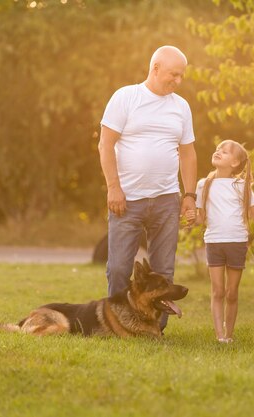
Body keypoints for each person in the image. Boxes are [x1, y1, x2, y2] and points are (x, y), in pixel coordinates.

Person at [98, 45, 197, 331]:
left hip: (167, 200)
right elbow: (105, 144)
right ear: (155, 68)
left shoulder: (181, 107)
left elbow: (188, 153)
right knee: (118, 268)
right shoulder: (126, 97)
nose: (178, 81)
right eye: (173, 74)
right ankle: (117, 325)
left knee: (164, 270)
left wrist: (189, 196)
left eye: (181, 76)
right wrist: (113, 187)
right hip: (127, 200)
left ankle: (155, 328)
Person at [186, 140, 254, 343]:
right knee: (217, 290)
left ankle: (229, 334)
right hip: (214, 242)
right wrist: (192, 218)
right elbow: (201, 219)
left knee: (232, 293)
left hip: (236, 242)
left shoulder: (240, 185)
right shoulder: (204, 184)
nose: (218, 152)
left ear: (235, 162)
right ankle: (221, 337)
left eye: (225, 152)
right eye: (218, 149)